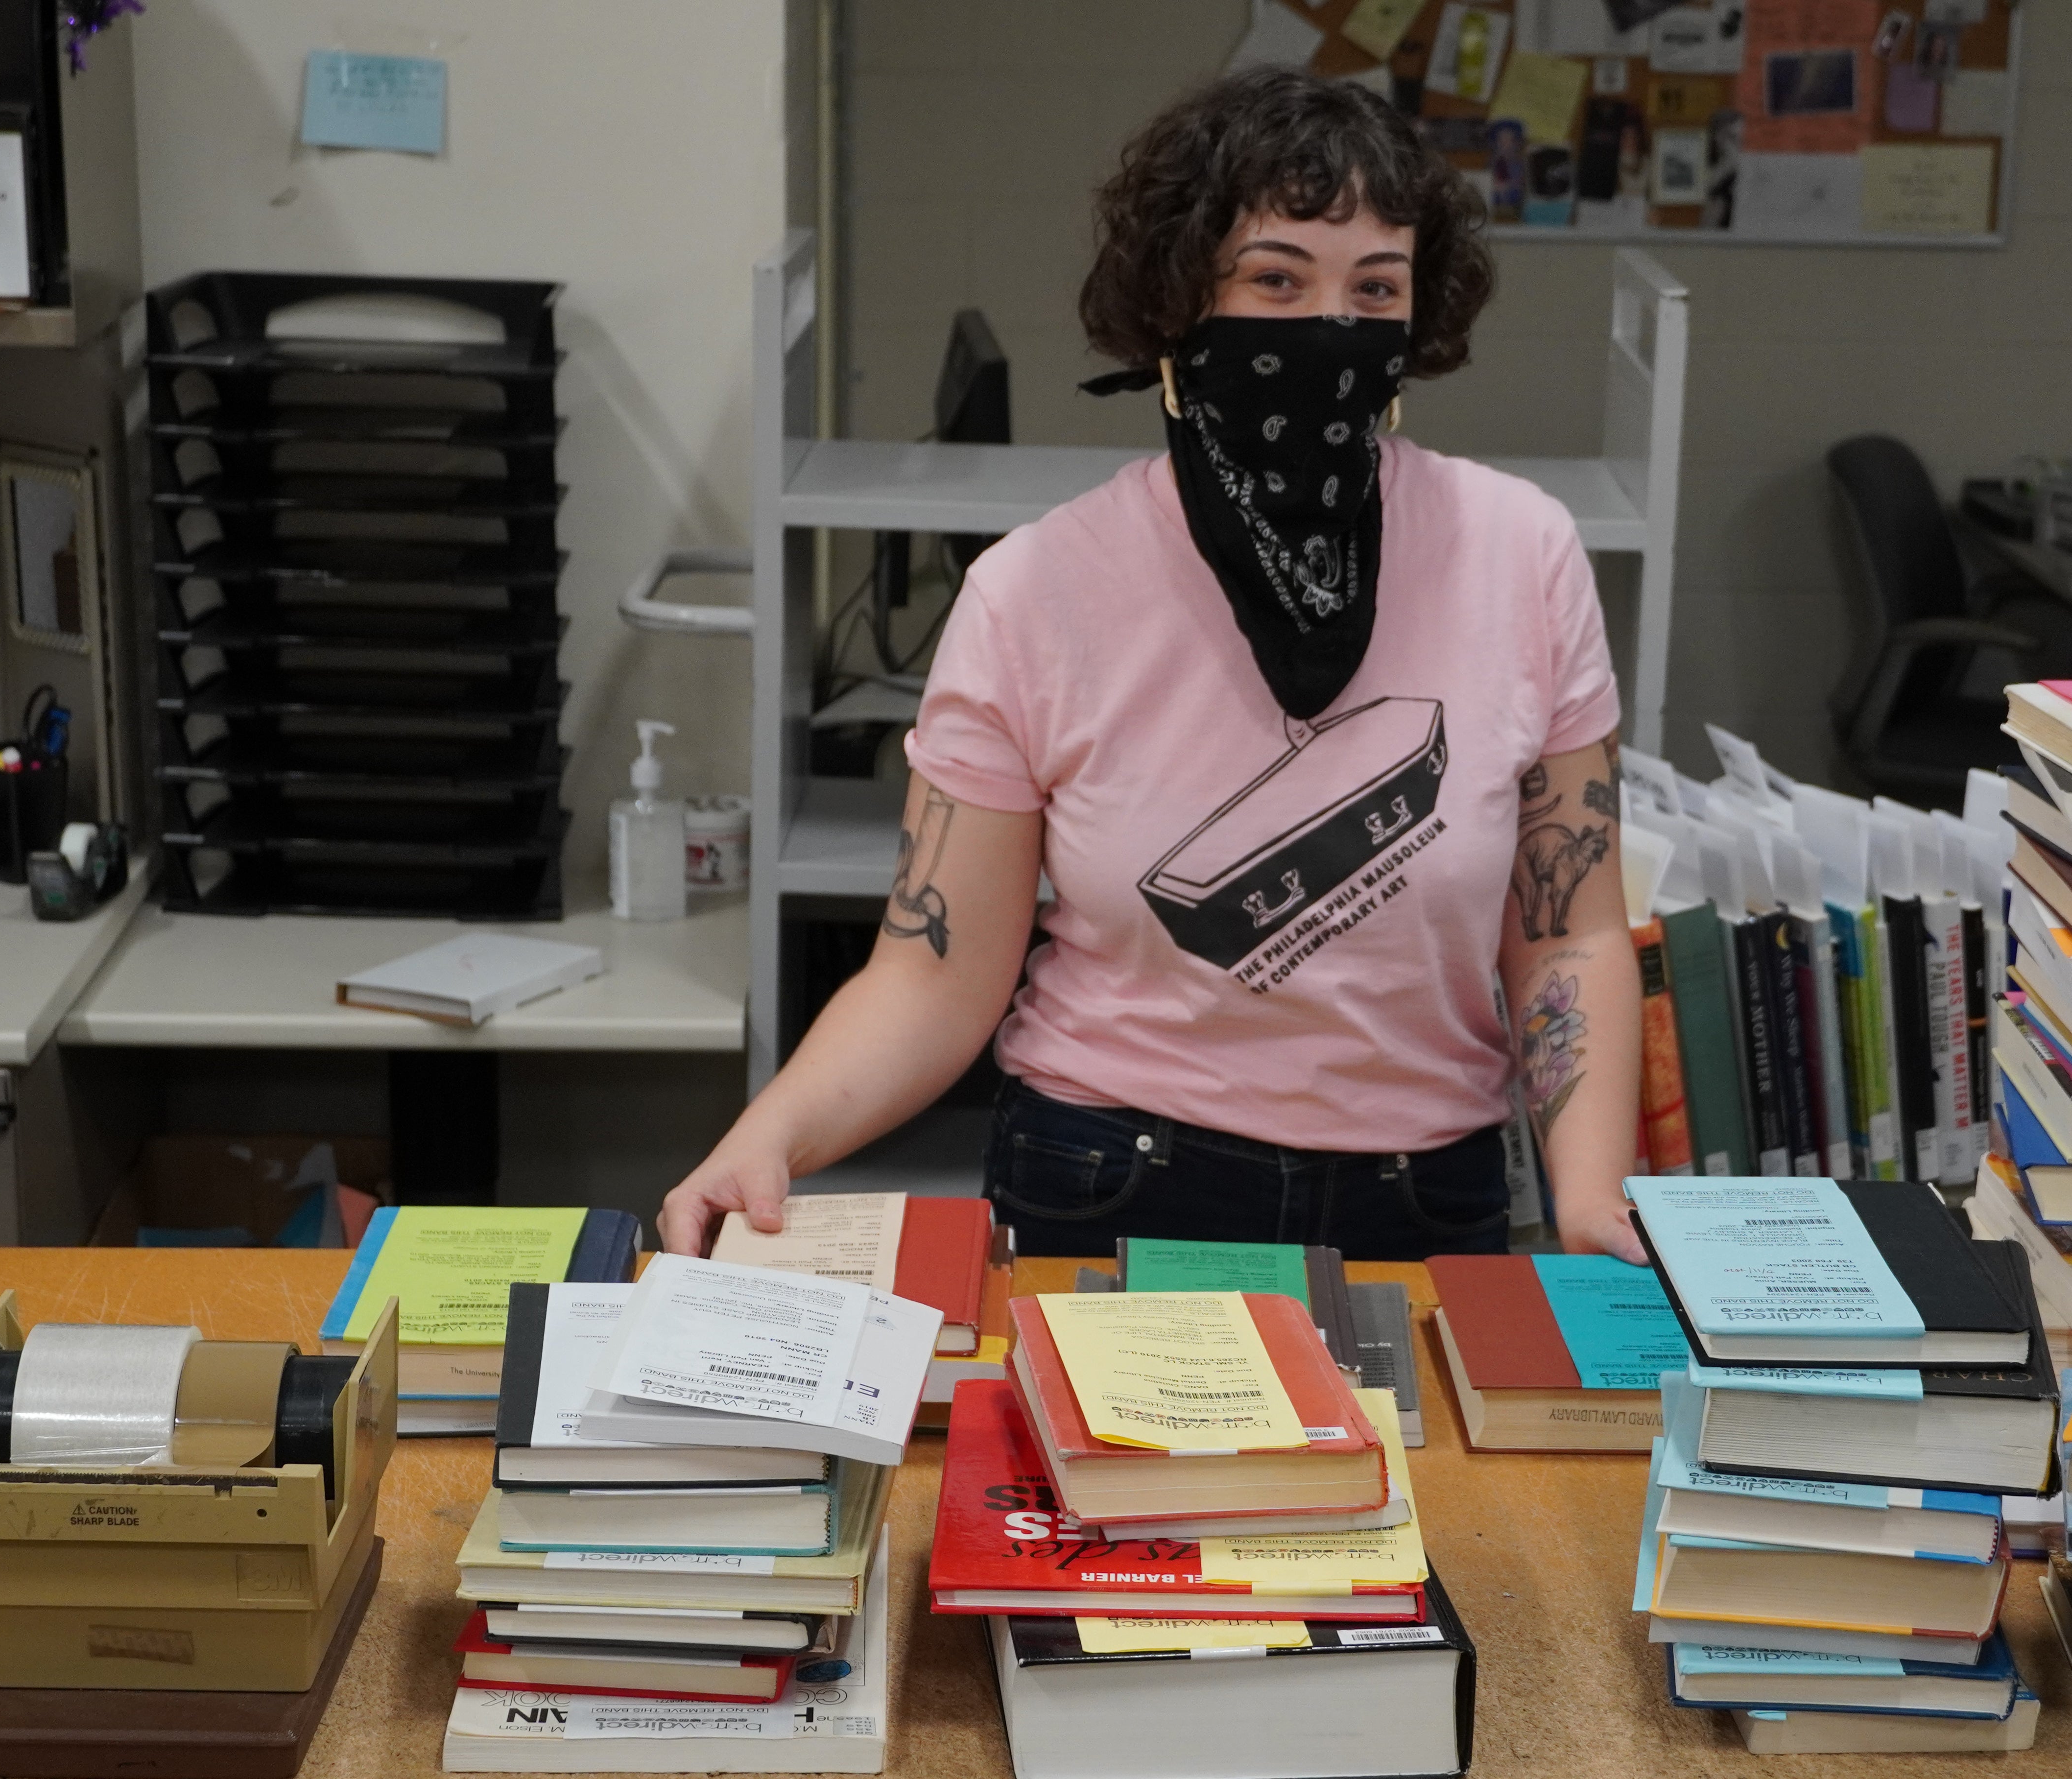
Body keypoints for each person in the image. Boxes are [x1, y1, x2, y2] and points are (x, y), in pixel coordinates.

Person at [661, 68, 1641, 1265]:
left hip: (1426, 1196)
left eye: (1373, 289)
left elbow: (1568, 928)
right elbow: (931, 974)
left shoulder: (1522, 553)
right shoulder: (1035, 591)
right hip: (1113, 1175)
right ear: (1181, 302)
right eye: (1277, 279)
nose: (1329, 326)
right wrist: (770, 1138)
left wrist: (1591, 1195)